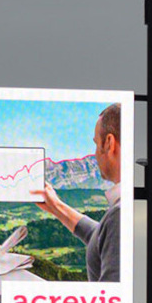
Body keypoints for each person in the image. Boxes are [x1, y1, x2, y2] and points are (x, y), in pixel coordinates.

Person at [34, 103, 121, 282]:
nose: (95, 153)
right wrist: (56, 206)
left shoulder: (120, 214)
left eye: (97, 143)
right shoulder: (118, 217)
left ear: (109, 143)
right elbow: (100, 237)